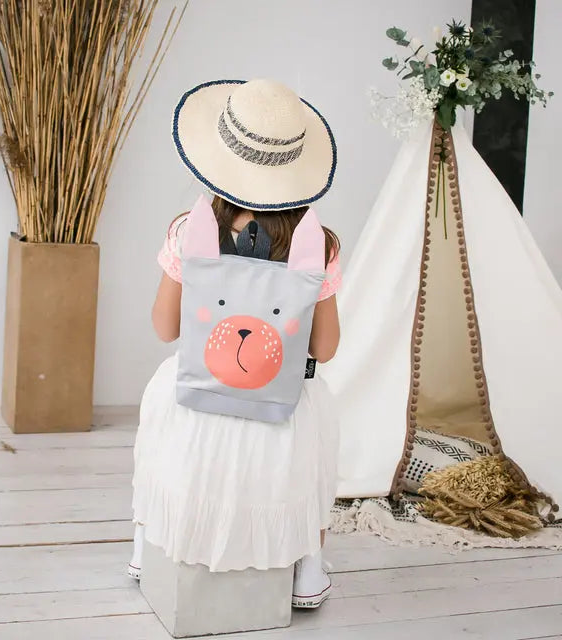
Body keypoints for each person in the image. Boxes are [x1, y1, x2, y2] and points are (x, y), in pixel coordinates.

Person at [130, 78, 341, 608]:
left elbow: (164, 328)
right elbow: (327, 347)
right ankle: (305, 571)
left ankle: (151, 547)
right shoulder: (317, 242)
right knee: (312, 438)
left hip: (200, 392)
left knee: (162, 424)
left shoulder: (189, 230)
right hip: (279, 401)